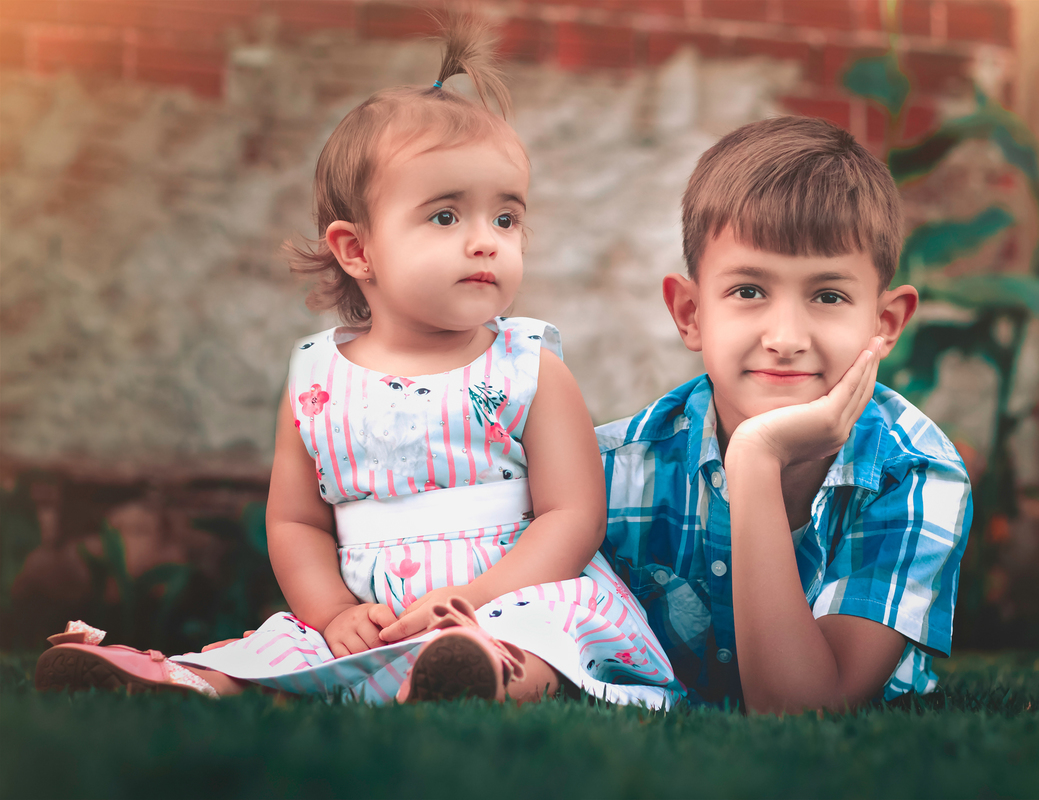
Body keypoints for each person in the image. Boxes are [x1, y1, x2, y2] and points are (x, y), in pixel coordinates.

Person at [35, 17, 682, 709]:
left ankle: (478, 674)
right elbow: (298, 523)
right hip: (372, 612)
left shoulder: (526, 366)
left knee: (538, 635)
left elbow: (573, 515)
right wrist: (336, 612)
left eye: (505, 218)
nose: (486, 242)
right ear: (356, 249)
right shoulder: (318, 377)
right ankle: (184, 680)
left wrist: (474, 597)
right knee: (289, 646)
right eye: (444, 216)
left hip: (508, 595)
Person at [597, 116, 972, 714]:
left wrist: (754, 457)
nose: (786, 337)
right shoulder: (610, 472)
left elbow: (803, 710)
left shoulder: (916, 476)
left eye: (828, 296)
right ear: (691, 313)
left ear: (885, 324)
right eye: (749, 291)